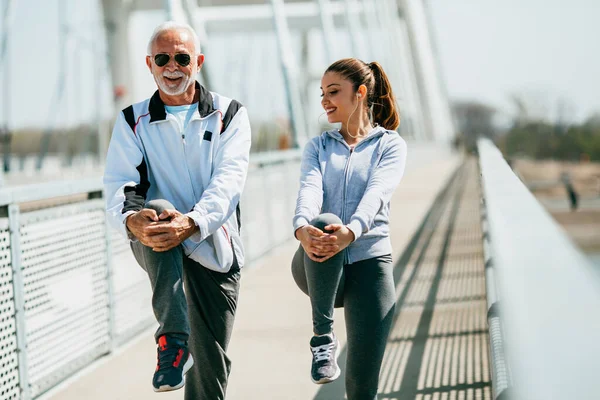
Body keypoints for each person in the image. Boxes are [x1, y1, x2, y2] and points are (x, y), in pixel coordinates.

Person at [103, 21, 251, 399]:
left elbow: (228, 183)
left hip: (213, 242)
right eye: (163, 58)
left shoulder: (229, 114)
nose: (172, 66)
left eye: (182, 58)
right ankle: (172, 338)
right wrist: (131, 218)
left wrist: (193, 222)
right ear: (149, 64)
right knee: (155, 209)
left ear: (197, 62)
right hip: (157, 239)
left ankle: (186, 351)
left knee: (211, 363)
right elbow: (122, 183)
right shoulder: (131, 120)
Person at [291, 58, 407, 399]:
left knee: (361, 385)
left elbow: (377, 194)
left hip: (369, 265)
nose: (325, 100)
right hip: (318, 264)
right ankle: (323, 338)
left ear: (360, 93)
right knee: (323, 222)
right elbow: (309, 191)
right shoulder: (319, 146)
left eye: (333, 92)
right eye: (322, 93)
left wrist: (352, 232)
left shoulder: (390, 145)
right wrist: (301, 228)